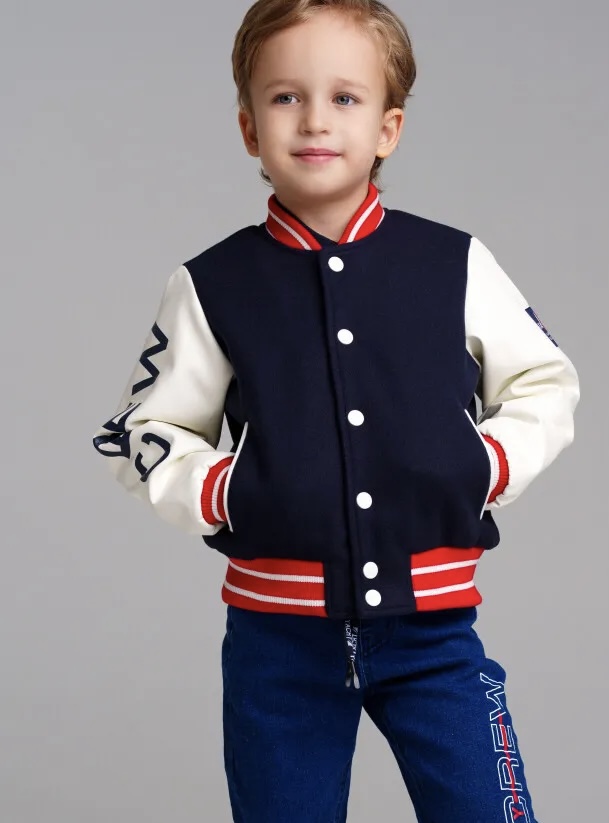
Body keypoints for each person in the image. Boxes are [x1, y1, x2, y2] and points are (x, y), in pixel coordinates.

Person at [92, 1, 580, 820]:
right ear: (248, 128)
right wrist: (226, 490)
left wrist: (483, 464)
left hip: (434, 632)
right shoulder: (213, 283)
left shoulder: (452, 262)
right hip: (276, 643)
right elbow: (143, 430)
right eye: (286, 97)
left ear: (388, 128)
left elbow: (544, 382)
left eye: (344, 98)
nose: (315, 119)